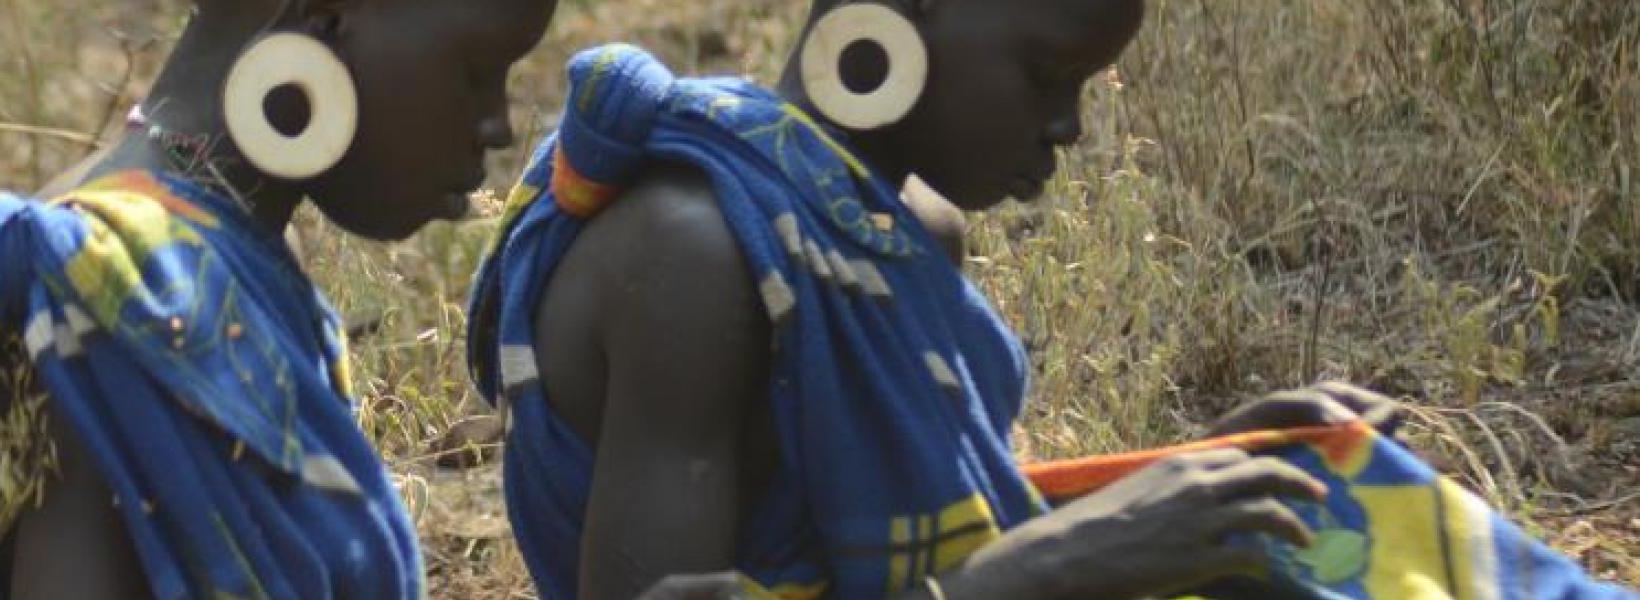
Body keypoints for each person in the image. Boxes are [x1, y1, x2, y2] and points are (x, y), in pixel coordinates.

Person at [468, 1, 1638, 598]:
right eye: (1044, 73)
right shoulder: (691, 258)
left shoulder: (903, 236)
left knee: (1332, 526)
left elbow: (919, 535)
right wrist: (1059, 570)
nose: (1069, 127)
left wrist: (1182, 482)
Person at [0, 0, 555, 597]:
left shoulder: (193, 255)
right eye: (479, 74)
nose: (499, 128)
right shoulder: (123, 294)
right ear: (326, 20)